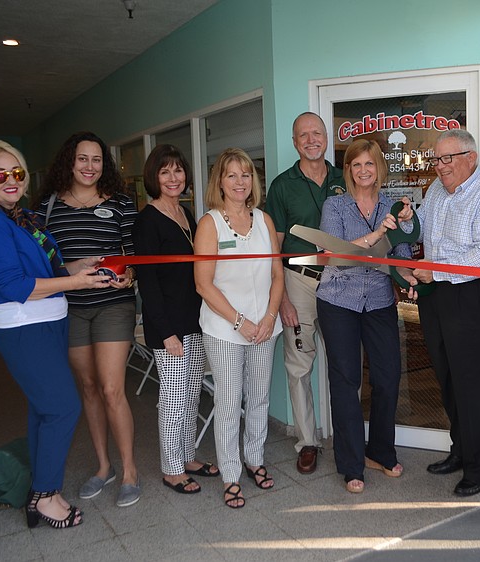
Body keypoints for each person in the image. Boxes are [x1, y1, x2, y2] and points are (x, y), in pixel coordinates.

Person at [0, 140, 112, 528]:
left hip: (48, 322)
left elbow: (46, 272)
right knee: (63, 407)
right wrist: (77, 283)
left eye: (16, 172)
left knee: (43, 408)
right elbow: (16, 285)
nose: (11, 180)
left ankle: (39, 488)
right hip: (23, 327)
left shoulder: (22, 217)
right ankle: (46, 495)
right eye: (0, 174)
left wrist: (79, 266)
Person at [394, 128, 480, 497]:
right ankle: (460, 452)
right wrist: (406, 224)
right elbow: (424, 237)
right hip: (439, 297)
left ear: (471, 158)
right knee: (449, 380)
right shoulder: (434, 192)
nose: (441, 166)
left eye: (448, 158)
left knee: (479, 387)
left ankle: (479, 469)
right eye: (437, 159)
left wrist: (437, 271)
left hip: (479, 298)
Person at [36, 131, 141, 508]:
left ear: (104, 164)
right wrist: (71, 268)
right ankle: (103, 466)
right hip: (71, 308)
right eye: (83, 159)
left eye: (97, 160)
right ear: (70, 160)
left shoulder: (121, 204)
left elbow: (133, 255)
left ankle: (129, 470)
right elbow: (42, 263)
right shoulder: (48, 207)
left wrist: (130, 274)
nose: (89, 166)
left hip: (114, 304)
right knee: (89, 388)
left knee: (112, 388)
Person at [315, 139, 412, 493]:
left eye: (369, 164)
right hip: (339, 299)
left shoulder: (393, 205)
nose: (363, 171)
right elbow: (336, 253)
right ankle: (351, 463)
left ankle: (381, 451)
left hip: (380, 300)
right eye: (356, 165)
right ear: (349, 170)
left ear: (379, 168)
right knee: (346, 382)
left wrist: (411, 278)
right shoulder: (335, 205)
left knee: (387, 377)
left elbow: (401, 251)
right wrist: (378, 233)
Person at [194, 147, 283, 509]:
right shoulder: (209, 223)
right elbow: (203, 284)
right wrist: (240, 323)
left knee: (259, 397)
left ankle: (254, 459)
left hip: (264, 327)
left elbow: (277, 276)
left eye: (245, 174)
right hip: (224, 329)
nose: (239, 181)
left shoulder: (264, 221)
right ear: (220, 181)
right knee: (229, 402)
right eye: (231, 175)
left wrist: (269, 317)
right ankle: (231, 474)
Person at [132, 144, 220, 495]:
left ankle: (187, 456)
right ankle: (171, 468)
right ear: (153, 177)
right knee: (173, 396)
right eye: (164, 171)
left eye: (178, 171)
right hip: (168, 326)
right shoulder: (147, 220)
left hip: (194, 320)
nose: (173, 178)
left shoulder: (187, 215)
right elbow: (148, 282)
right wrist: (166, 332)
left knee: (192, 393)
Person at [265, 112, 346, 474]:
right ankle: (307, 441)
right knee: (299, 364)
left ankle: (347, 437)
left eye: (317, 133)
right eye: (303, 135)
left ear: (326, 137)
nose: (311, 139)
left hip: (343, 280)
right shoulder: (283, 185)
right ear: (295, 142)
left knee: (344, 361)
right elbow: (274, 248)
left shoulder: (346, 178)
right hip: (298, 280)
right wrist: (281, 297)